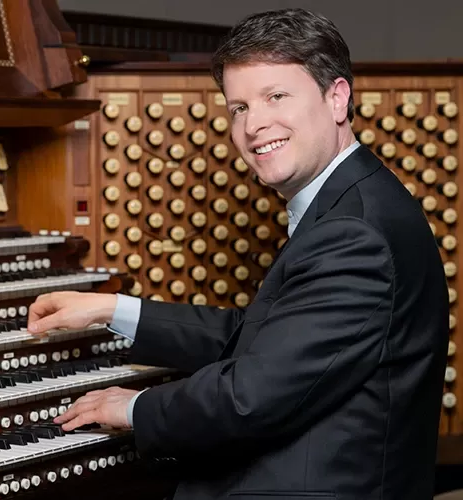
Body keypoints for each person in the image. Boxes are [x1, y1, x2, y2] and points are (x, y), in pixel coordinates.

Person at [27, 7, 450, 500]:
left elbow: (249, 396)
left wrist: (133, 408)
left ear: (337, 99)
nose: (254, 125)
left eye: (276, 96)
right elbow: (267, 342)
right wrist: (111, 308)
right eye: (239, 107)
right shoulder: (353, 199)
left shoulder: (353, 232)